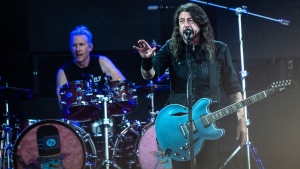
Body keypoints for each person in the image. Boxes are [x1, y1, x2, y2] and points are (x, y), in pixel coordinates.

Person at [133, 3, 247, 169]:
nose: (185, 24)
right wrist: (146, 60)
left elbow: (233, 88)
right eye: (181, 21)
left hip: (209, 125)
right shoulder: (171, 48)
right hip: (178, 127)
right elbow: (150, 74)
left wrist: (241, 120)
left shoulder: (219, 49)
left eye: (190, 20)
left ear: (201, 23)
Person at [56, 25, 126, 113]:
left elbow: (122, 86)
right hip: (79, 120)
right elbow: (63, 106)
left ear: (90, 47)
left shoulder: (102, 62)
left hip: (105, 114)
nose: (78, 49)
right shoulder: (63, 72)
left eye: (81, 44)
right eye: (74, 45)